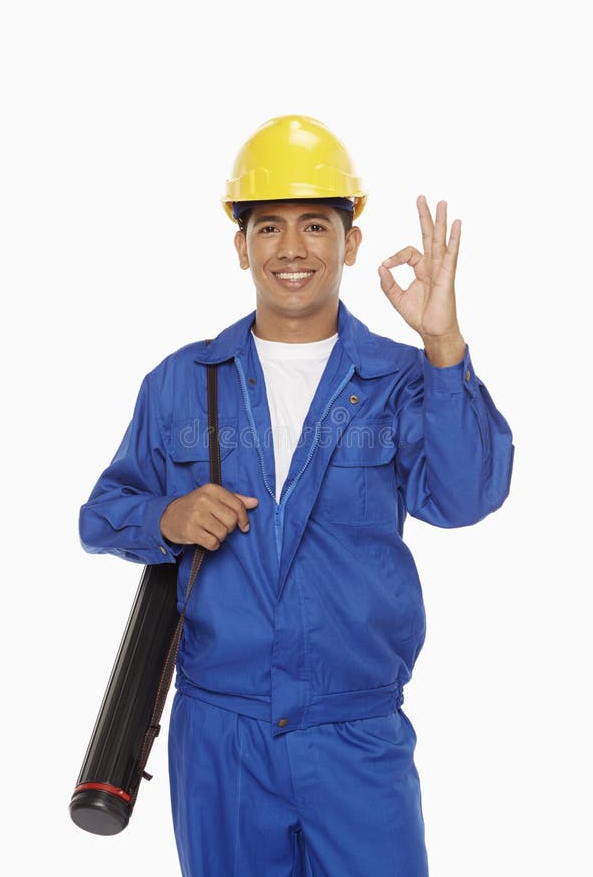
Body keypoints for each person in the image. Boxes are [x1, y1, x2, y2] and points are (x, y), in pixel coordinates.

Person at [79, 114, 514, 876]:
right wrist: (166, 516)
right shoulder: (183, 381)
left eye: (316, 225)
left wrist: (444, 347)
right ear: (240, 244)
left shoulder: (401, 379)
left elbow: (468, 495)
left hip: (356, 733)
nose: (291, 248)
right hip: (222, 735)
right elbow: (102, 514)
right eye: (268, 225)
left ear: (350, 242)